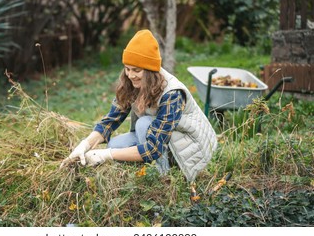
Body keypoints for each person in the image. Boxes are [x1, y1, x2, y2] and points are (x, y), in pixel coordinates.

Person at [61, 29, 217, 182]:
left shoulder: (172, 93)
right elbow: (110, 122)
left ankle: (162, 176)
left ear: (150, 71)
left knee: (142, 124)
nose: (130, 75)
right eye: (127, 69)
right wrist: (85, 145)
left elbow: (153, 149)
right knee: (115, 144)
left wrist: (106, 155)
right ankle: (150, 166)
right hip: (158, 136)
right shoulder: (132, 83)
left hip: (188, 145)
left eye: (136, 70)